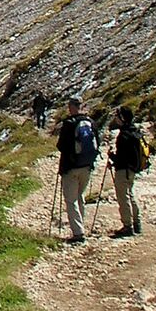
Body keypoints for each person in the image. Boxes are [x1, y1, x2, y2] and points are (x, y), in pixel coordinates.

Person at [56, 100, 99, 243]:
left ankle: (78, 233)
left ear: (72, 107)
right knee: (80, 196)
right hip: (87, 166)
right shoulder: (90, 122)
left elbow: (60, 146)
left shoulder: (69, 124)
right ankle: (81, 225)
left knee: (71, 199)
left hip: (71, 167)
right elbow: (97, 143)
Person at [111, 108, 154, 238]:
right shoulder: (135, 132)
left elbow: (121, 157)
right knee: (130, 195)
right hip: (133, 169)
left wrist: (112, 157)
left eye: (118, 116)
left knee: (123, 197)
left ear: (122, 118)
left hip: (123, 170)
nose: (116, 118)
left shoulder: (124, 135)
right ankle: (137, 223)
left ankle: (127, 226)